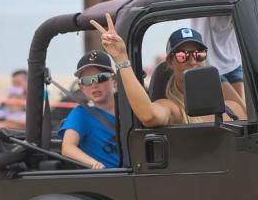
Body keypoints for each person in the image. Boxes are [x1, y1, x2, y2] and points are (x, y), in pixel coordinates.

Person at [90, 14, 246, 127]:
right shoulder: (173, 109)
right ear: (170, 62)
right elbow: (148, 115)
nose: (192, 60)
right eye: (182, 55)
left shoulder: (233, 108)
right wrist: (121, 58)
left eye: (199, 54)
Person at [59, 50, 119, 169]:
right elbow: (67, 147)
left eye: (100, 78)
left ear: (114, 81)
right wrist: (94, 164)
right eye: (86, 81)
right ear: (81, 87)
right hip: (108, 179)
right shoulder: (81, 114)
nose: (93, 85)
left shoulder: (129, 109)